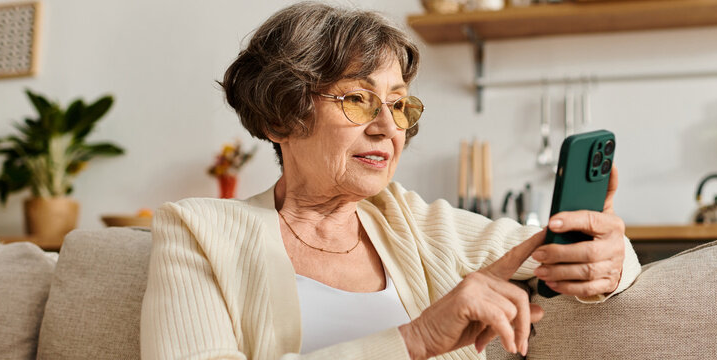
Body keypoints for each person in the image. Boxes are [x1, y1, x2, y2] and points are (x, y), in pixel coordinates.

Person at [140, 2, 641, 359]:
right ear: (279, 119)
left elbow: (592, 256)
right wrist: (414, 340)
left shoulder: (418, 224)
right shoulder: (200, 232)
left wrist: (605, 256)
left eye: (398, 103)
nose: (387, 128)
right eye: (357, 99)